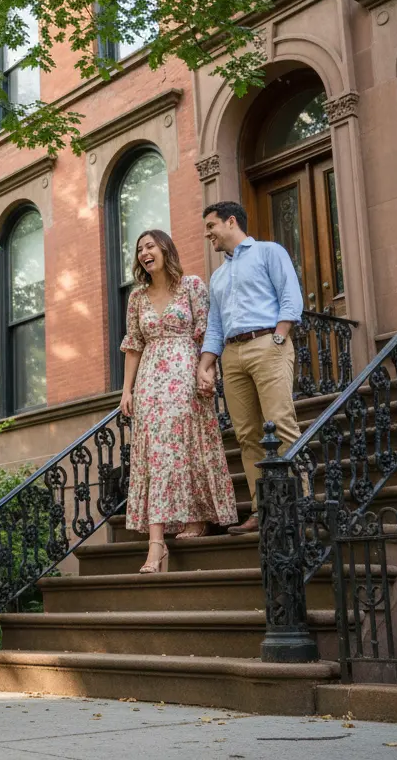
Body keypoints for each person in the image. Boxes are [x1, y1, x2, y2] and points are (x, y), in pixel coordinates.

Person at [119, 229, 238, 573]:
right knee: (156, 452)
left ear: (165, 248)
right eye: (140, 249)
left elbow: (208, 330)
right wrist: (127, 390)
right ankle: (157, 542)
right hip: (149, 380)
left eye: (150, 245)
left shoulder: (192, 286)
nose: (144, 252)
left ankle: (195, 516)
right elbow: (133, 345)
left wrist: (207, 369)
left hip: (185, 373)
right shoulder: (137, 298)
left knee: (186, 447)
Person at [195, 201, 303, 535]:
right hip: (232, 354)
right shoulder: (218, 276)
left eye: (211, 226)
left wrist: (280, 337)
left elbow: (290, 296)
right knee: (246, 435)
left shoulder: (269, 252)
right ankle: (263, 510)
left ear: (230, 222)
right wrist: (206, 365)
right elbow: (214, 325)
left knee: (280, 423)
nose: (208, 234)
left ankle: (301, 504)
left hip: (266, 344)